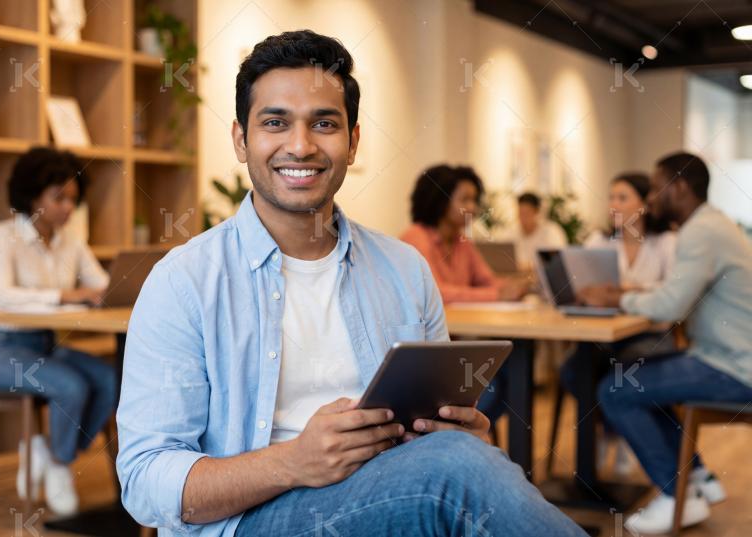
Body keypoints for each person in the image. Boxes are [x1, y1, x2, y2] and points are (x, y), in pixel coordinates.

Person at [116, 30, 587, 537]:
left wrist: (456, 433)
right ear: (240, 139)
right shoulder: (183, 282)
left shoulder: (404, 269)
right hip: (248, 522)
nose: (301, 145)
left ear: (353, 142)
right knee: (456, 475)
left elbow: (440, 436)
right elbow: (145, 483)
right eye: (275, 122)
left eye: (324, 123)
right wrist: (292, 462)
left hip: (395, 497)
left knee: (460, 463)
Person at [579, 152, 752, 534]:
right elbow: (676, 292)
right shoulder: (712, 225)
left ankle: (676, 494)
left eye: (657, 188)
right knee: (644, 381)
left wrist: (617, 298)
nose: (652, 197)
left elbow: (672, 304)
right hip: (724, 358)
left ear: (681, 187)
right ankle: (695, 479)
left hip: (734, 366)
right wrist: (625, 294)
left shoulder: (700, 232)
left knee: (616, 389)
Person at [0, 147, 116, 516]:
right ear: (32, 196)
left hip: (45, 346)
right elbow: (0, 295)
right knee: (70, 385)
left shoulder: (71, 239)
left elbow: (101, 284)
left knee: (109, 378)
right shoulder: (2, 235)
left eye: (73, 198)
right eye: (58, 198)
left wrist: (110, 291)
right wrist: (67, 295)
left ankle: (55, 454)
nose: (68, 207)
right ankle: (59, 465)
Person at [559, 172, 678, 474]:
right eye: (611, 197)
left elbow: (673, 293)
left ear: (645, 205)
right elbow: (580, 287)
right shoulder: (598, 241)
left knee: (624, 371)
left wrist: (621, 291)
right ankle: (612, 431)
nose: (613, 204)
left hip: (651, 334)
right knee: (573, 372)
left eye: (622, 198)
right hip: (604, 335)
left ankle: (623, 431)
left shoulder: (665, 242)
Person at [400, 164, 526, 423]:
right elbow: (437, 293)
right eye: (465, 199)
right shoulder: (415, 238)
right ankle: (453, 438)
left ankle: (463, 441)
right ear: (441, 200)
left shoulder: (461, 242)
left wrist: (512, 286)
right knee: (494, 387)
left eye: (474, 199)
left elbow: (487, 282)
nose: (473, 208)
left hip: (455, 351)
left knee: (508, 379)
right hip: (426, 358)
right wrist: (499, 295)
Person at [507, 191, 567, 271]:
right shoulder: (510, 232)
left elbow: (555, 261)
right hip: (516, 277)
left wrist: (528, 266)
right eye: (520, 213)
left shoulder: (551, 231)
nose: (523, 218)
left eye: (527, 213)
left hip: (542, 278)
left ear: (537, 212)